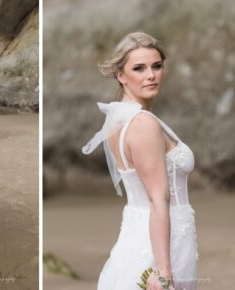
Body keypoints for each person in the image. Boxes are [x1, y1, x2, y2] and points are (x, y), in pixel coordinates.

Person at [82, 32, 198, 290]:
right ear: (121, 75)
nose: (151, 75)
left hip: (139, 234)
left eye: (157, 66)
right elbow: (159, 199)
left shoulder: (119, 120)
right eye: (139, 68)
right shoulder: (143, 123)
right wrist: (164, 272)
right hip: (164, 241)